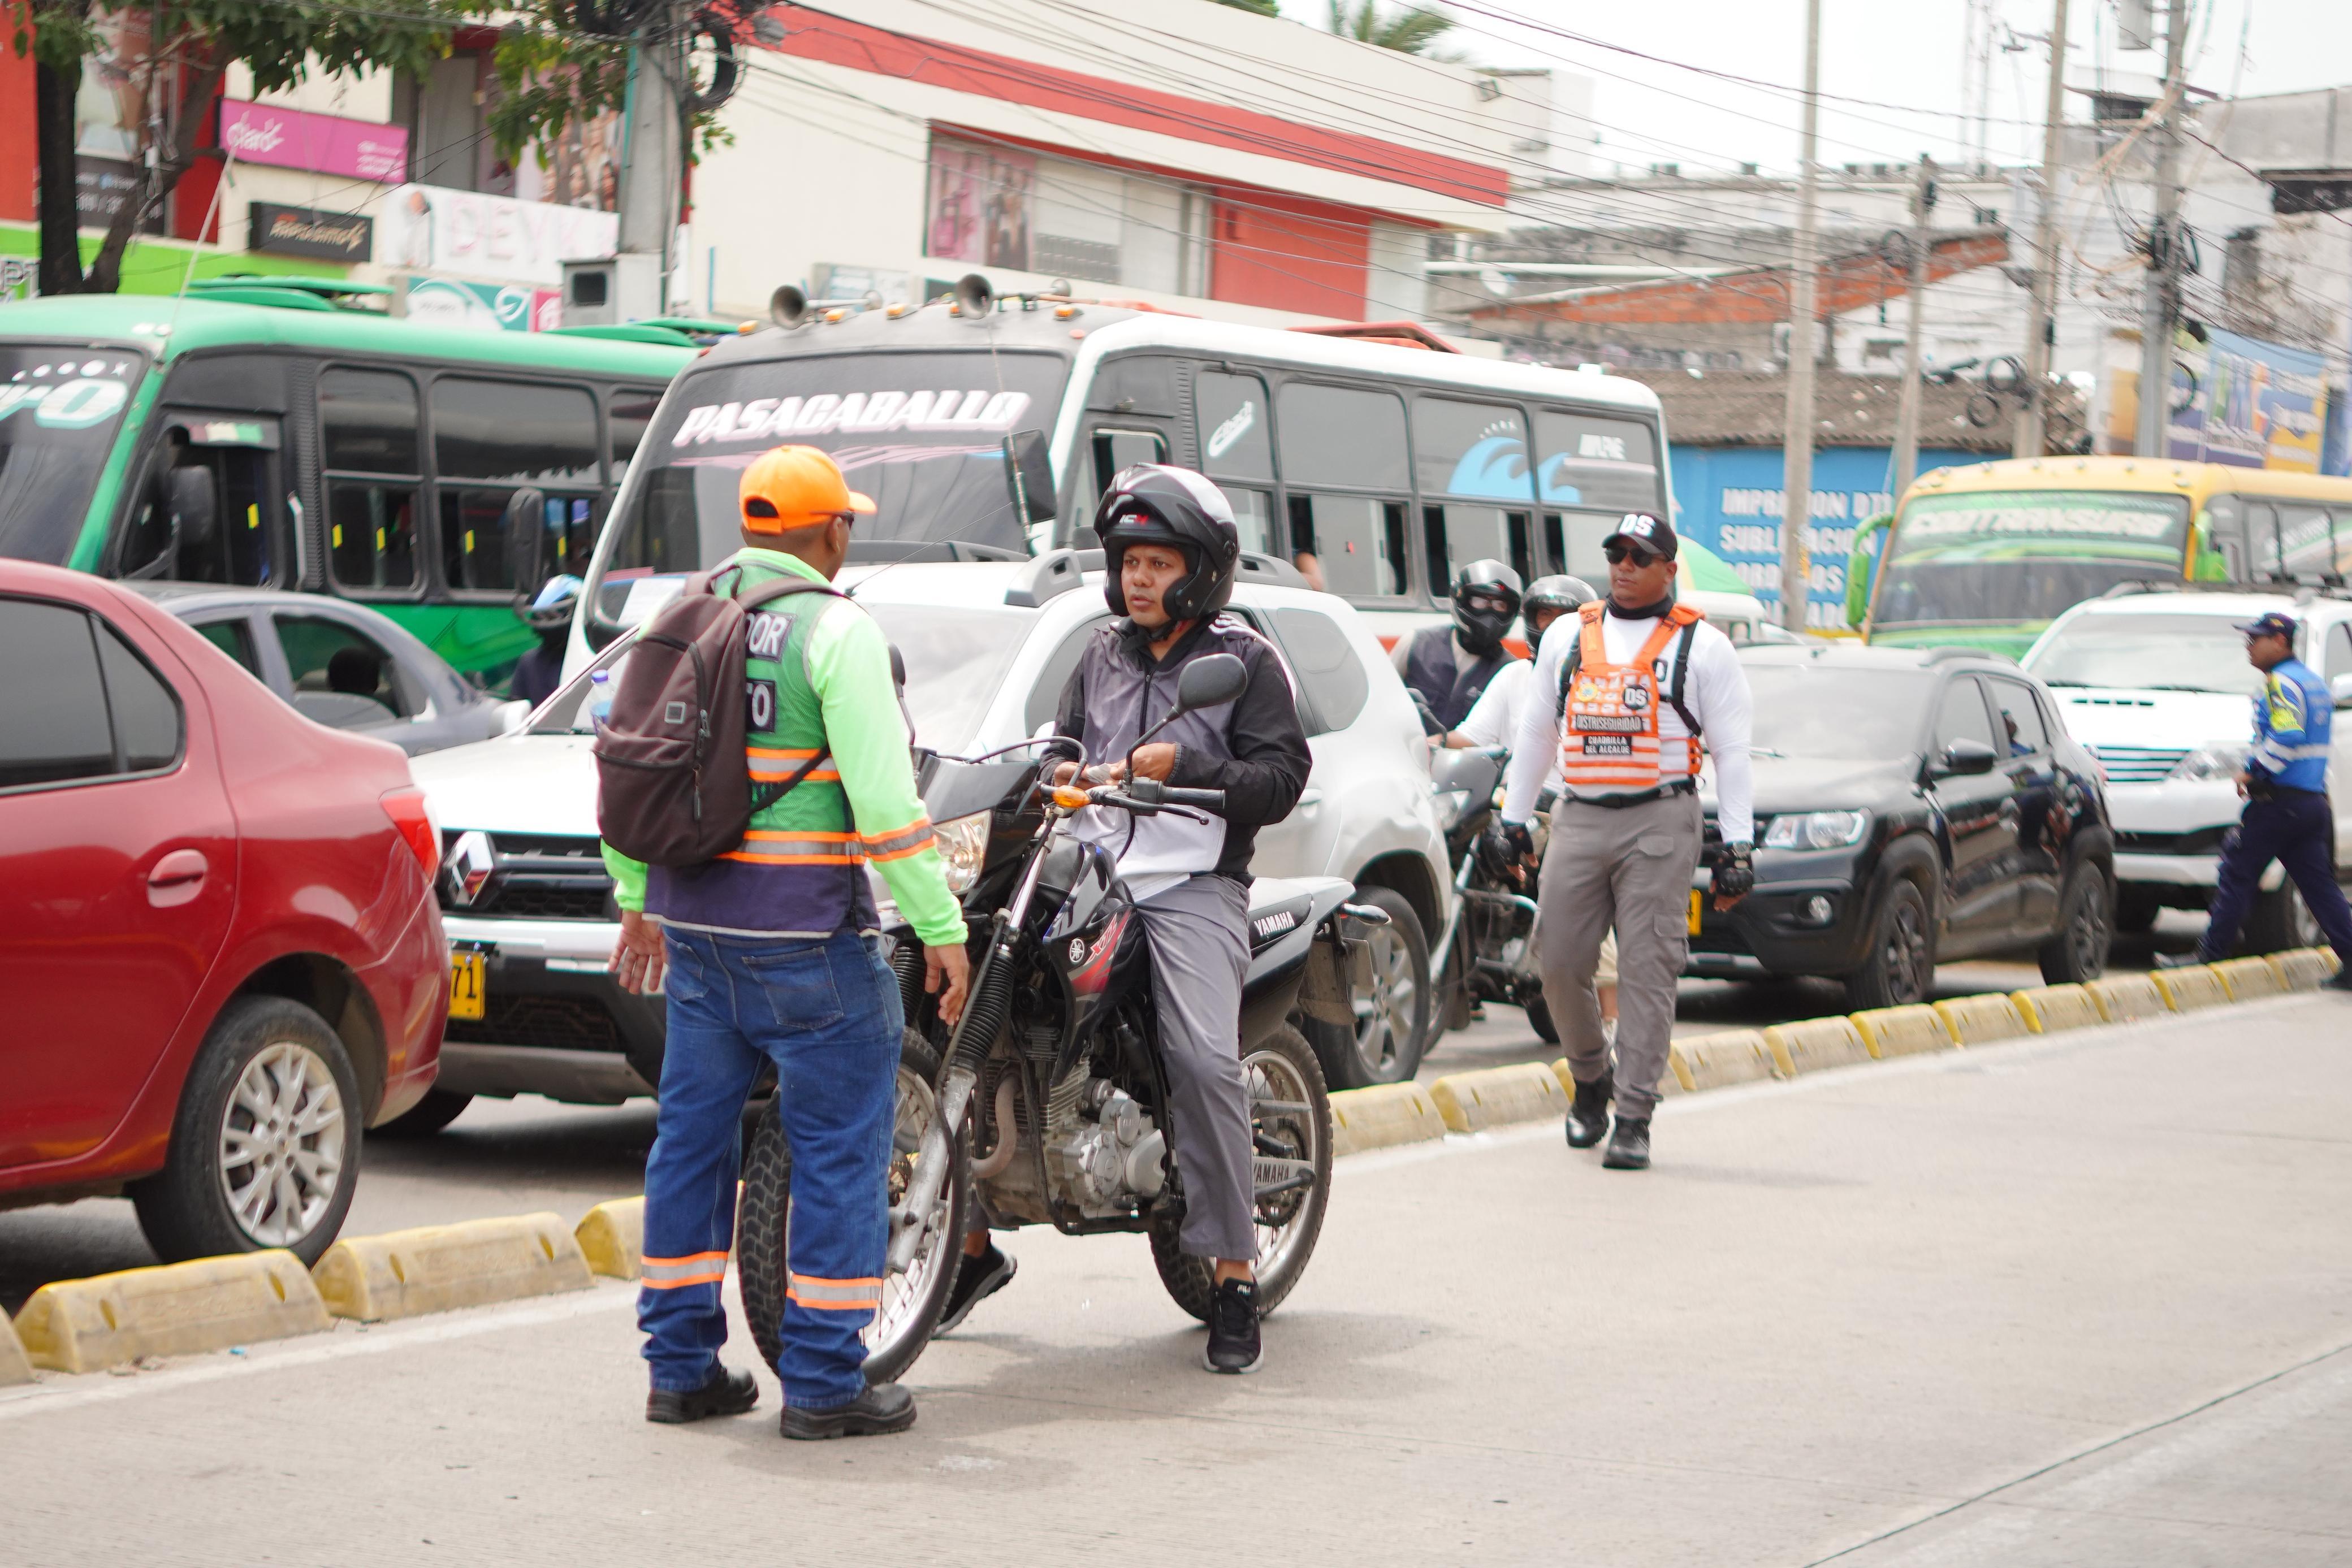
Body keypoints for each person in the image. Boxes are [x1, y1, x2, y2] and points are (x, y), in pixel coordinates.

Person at [603, 445, 972, 1440]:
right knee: (839, 1152)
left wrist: (638, 897)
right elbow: (889, 808)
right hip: (807, 940)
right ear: (833, 532)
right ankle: (821, 1378)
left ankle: (679, 1366)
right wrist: (940, 927)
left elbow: (629, 764)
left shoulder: (681, 610)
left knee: (690, 1144)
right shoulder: (837, 629)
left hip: (696, 938)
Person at [941, 464, 1312, 1375]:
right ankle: (970, 1245)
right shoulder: (1100, 654)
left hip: (1191, 885)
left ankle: (1230, 1272)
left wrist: (1186, 766)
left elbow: (1281, 780)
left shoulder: (1246, 661)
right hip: (1088, 870)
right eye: (1129, 560)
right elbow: (1061, 752)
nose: (1139, 577)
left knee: (1199, 1057)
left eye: (1158, 561)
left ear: (1201, 568)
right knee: (968, 1015)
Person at [1487, 513, 1756, 1171]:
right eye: (1615, 554)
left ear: (1669, 569)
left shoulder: (1702, 647)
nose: (1624, 566)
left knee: (1646, 969)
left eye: (1640, 556)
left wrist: (1738, 847)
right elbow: (1535, 734)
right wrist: (1513, 817)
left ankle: (1633, 1112)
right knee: (1557, 962)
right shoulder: (1566, 638)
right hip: (1579, 815)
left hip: (1661, 821)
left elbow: (1732, 750)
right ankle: (1590, 1079)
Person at [1442, 577, 1617, 1032]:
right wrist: (1426, 741)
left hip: (1570, 814)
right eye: (1543, 617)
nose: (1552, 627)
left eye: (1562, 618)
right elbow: (1472, 737)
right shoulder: (1516, 675)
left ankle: (1614, 1020)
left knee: (1586, 902)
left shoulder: (1599, 680)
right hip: (1509, 810)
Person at [2156, 611, 2352, 984]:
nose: (2248, 645)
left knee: (2236, 873)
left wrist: (2255, 771)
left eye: (2256, 639)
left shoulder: (2280, 683)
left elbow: (2287, 736)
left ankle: (2209, 958)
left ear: (2279, 642)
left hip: (2278, 803)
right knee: (2319, 887)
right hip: (2311, 803)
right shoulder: (2312, 683)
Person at [1395, 560, 1523, 734]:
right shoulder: (1417, 644)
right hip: (1406, 753)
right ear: (1461, 600)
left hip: (1467, 759)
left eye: (1500, 605)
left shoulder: (1510, 671)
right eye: (1479, 601)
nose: (1490, 612)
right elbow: (1380, 698)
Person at [509, 574, 581, 708]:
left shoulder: (592, 659)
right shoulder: (529, 663)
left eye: (550, 616)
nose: (543, 621)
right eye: (541, 616)